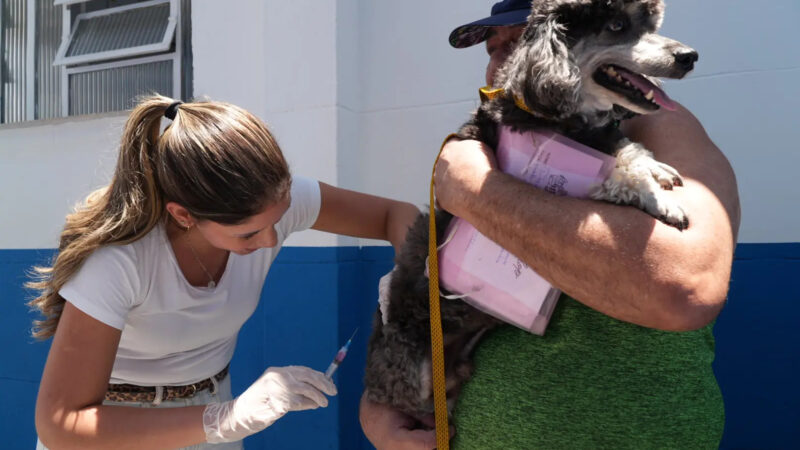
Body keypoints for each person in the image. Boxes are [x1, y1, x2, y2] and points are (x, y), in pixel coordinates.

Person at [359, 0, 741, 448]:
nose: (502, 62)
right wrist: (379, 407)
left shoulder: (654, 130)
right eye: (493, 48)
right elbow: (424, 284)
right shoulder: (493, 142)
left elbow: (687, 290)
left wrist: (477, 190)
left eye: (519, 41)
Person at [29, 95, 420, 449]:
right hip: (115, 428)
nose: (270, 242)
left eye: (279, 219)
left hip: (214, 414)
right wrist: (224, 419)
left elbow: (396, 213)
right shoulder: (119, 262)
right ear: (183, 215)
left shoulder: (274, 203)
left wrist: (410, 277)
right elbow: (61, 424)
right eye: (248, 232)